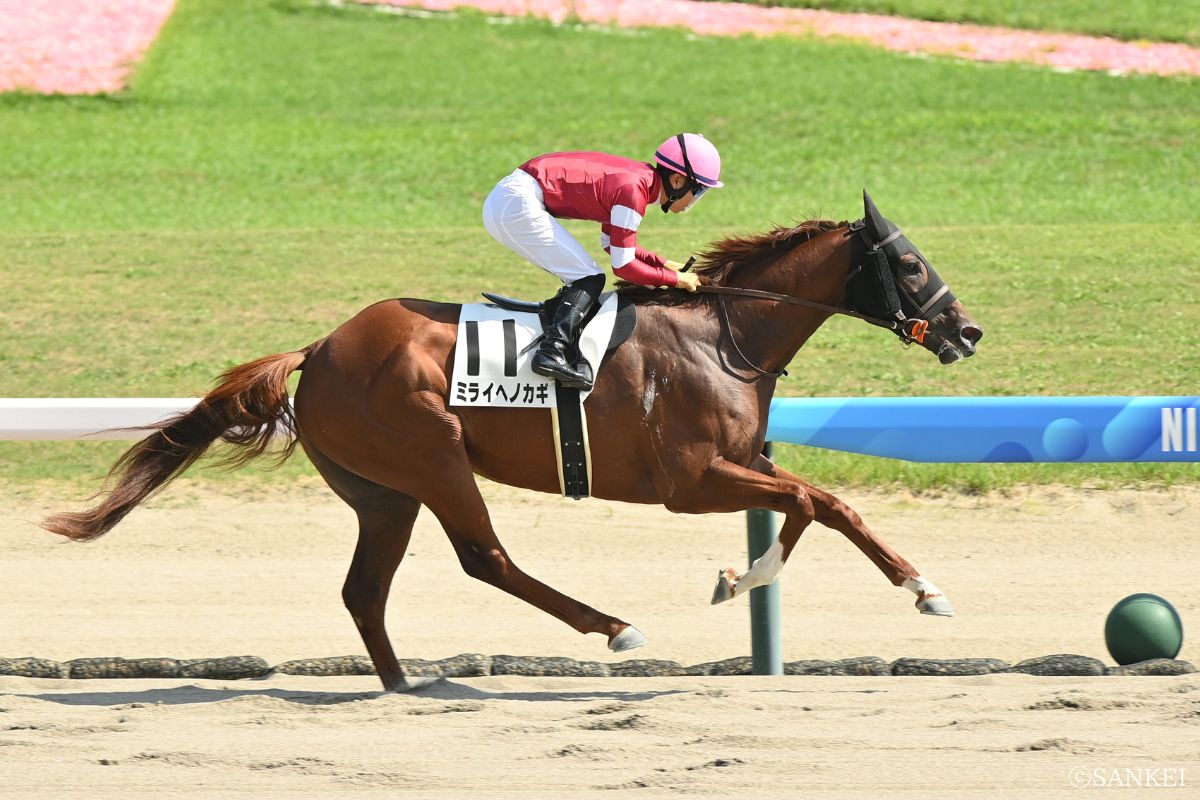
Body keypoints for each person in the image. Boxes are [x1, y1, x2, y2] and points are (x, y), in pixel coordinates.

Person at [482, 133, 723, 390]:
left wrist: (661, 263)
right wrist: (676, 279)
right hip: (516, 204)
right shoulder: (633, 192)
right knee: (589, 278)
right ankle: (551, 352)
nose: (696, 199)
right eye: (699, 190)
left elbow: (610, 244)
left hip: (512, 199)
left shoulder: (638, 180)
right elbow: (624, 267)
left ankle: (558, 336)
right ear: (677, 180)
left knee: (586, 276)